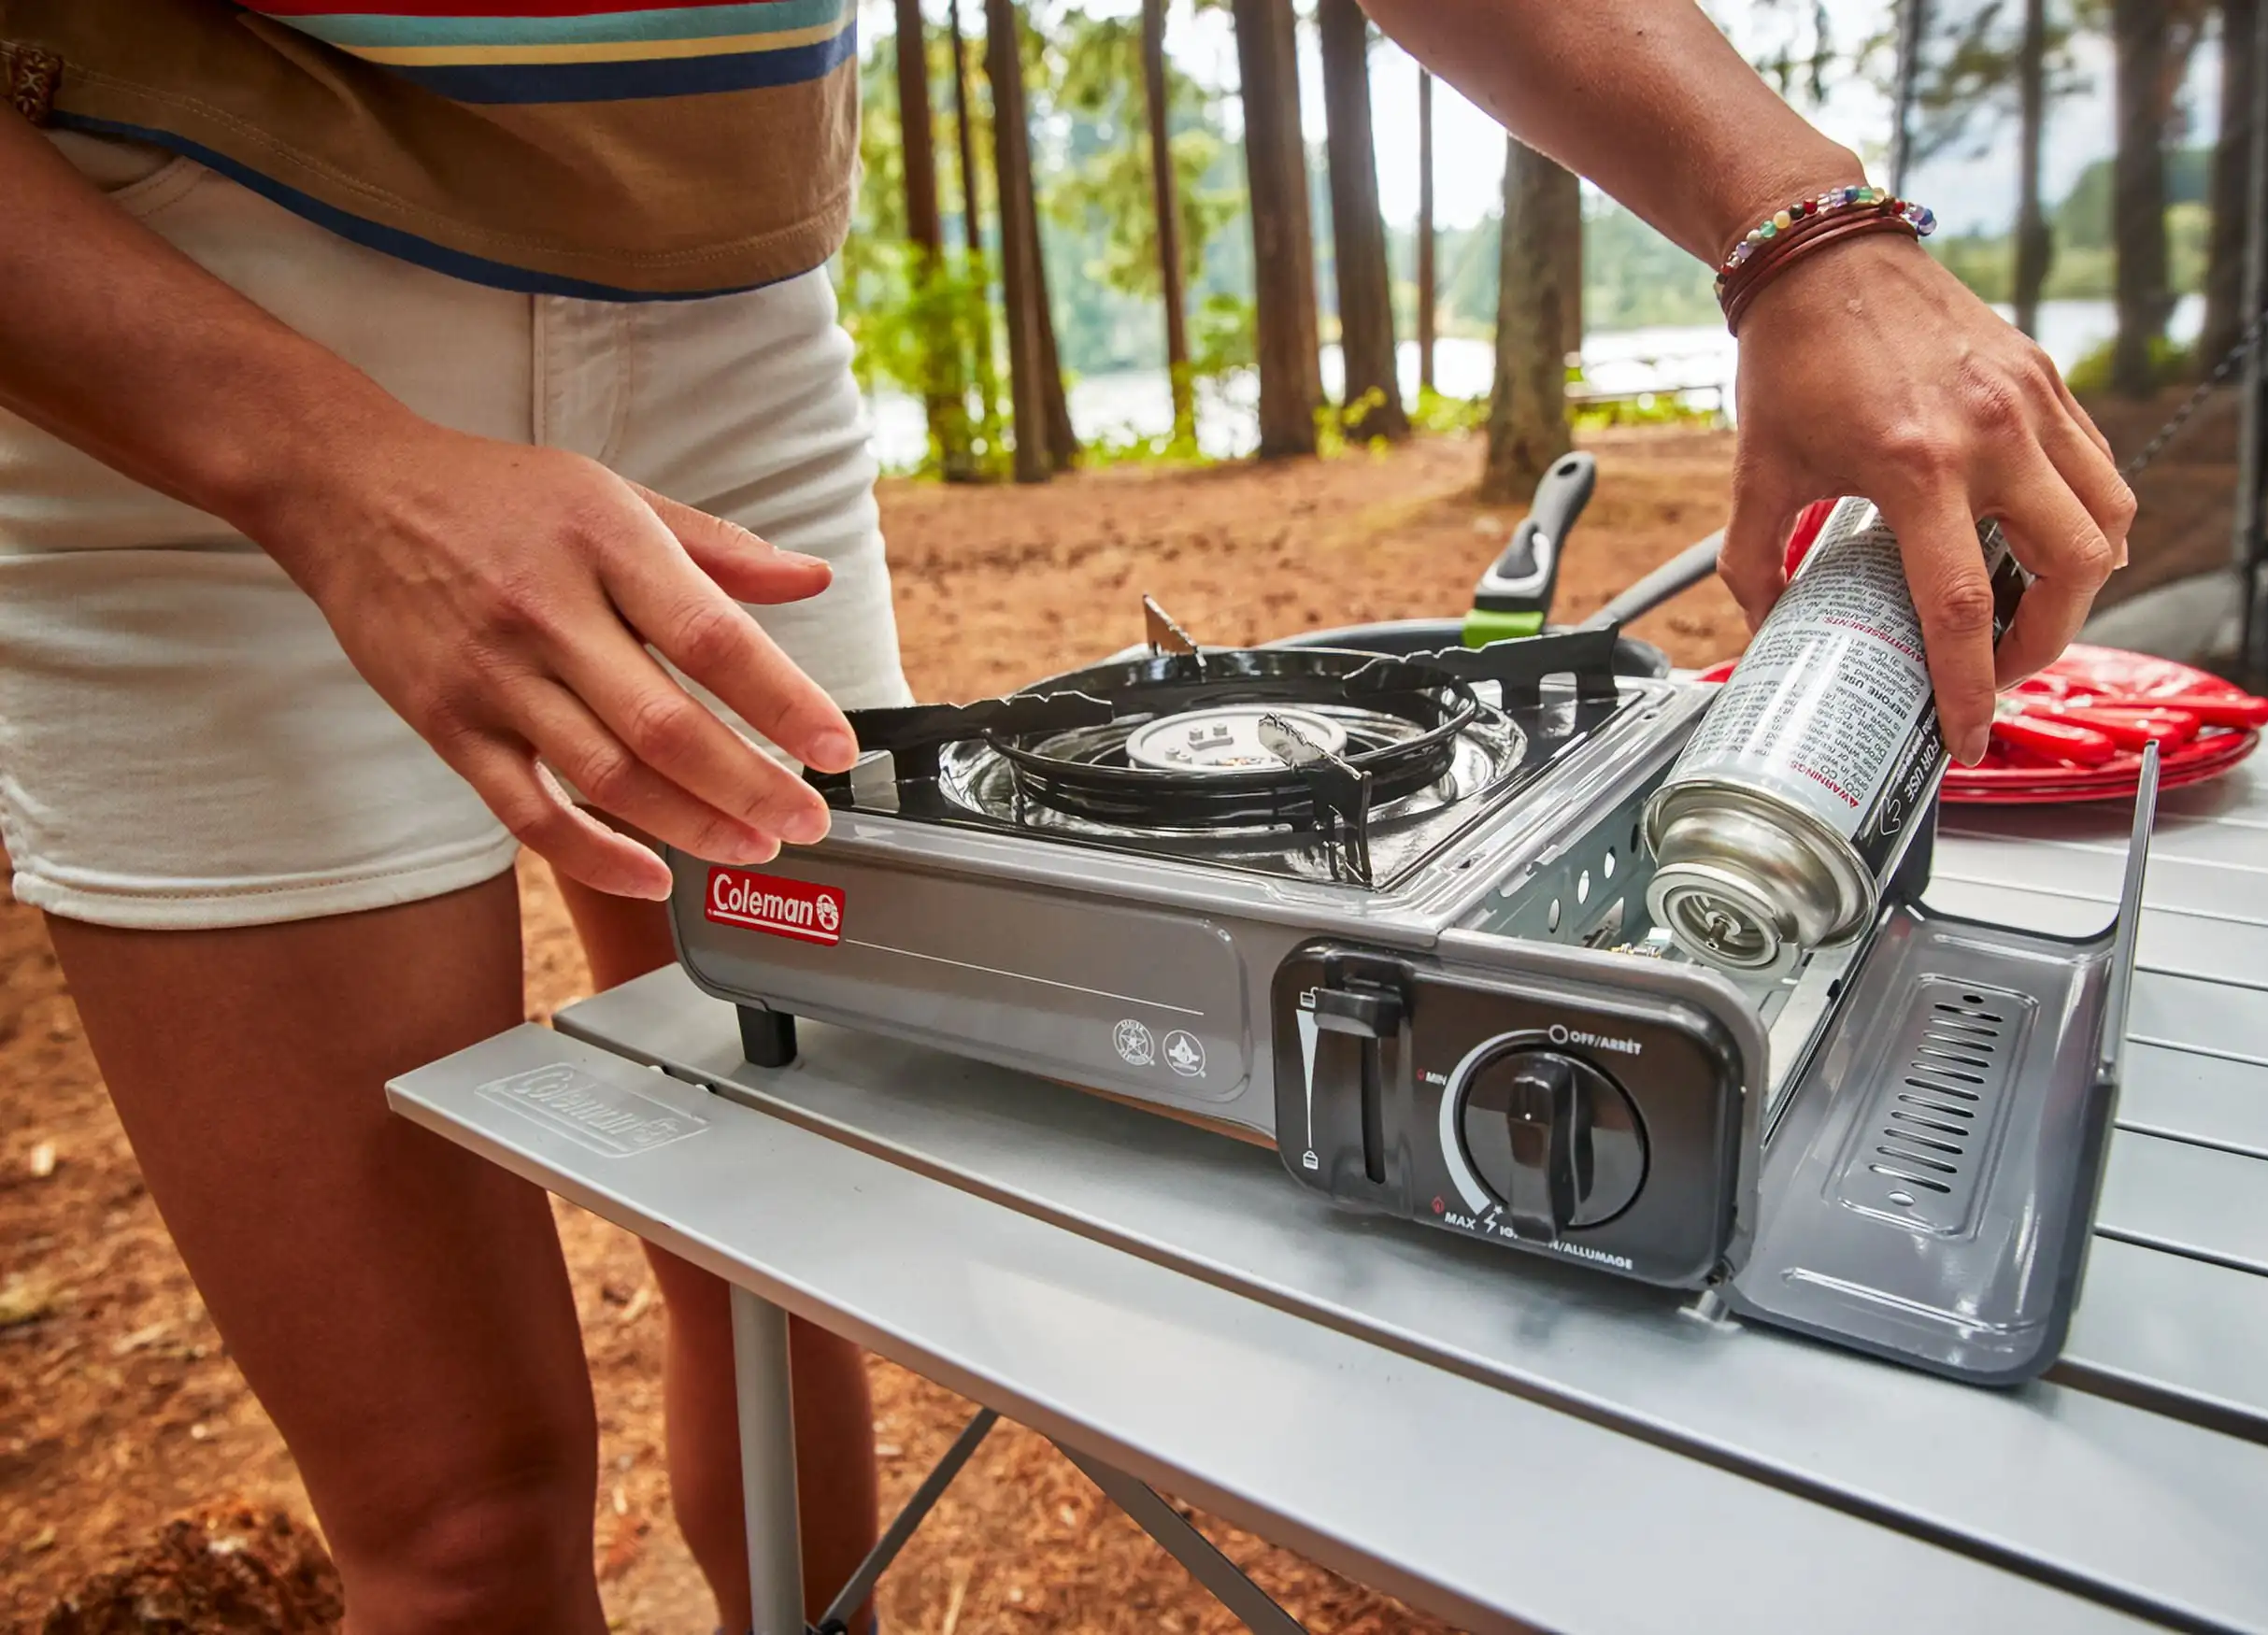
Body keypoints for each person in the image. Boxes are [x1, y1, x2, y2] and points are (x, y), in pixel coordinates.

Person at [0, 1, 2131, 1628]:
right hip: (182, 347)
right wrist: (317, 468)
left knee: (764, 1272)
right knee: (462, 1520)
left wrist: (1801, 227)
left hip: (722, 312)